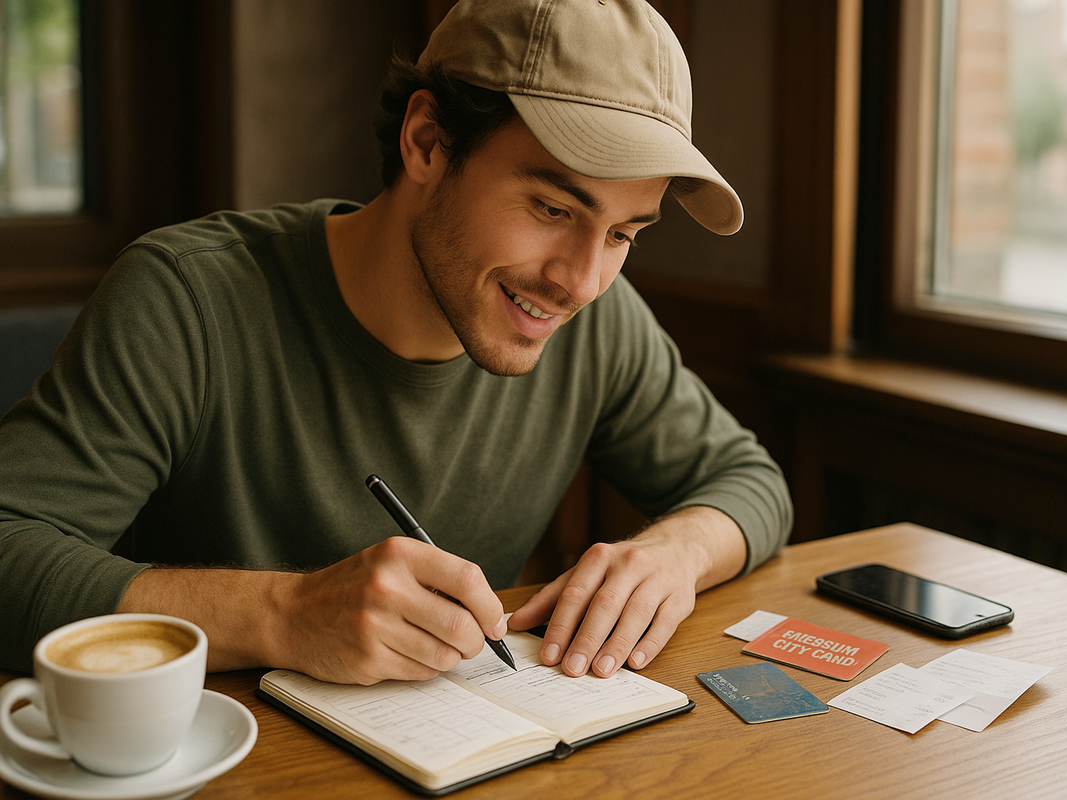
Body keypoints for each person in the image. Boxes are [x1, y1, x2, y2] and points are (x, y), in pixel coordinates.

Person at [0, 0, 791, 681]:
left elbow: (749, 481)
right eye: (552, 209)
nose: (582, 281)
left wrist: (676, 555)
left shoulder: (597, 324)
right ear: (426, 141)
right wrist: (283, 613)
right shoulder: (189, 298)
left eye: (623, 234)